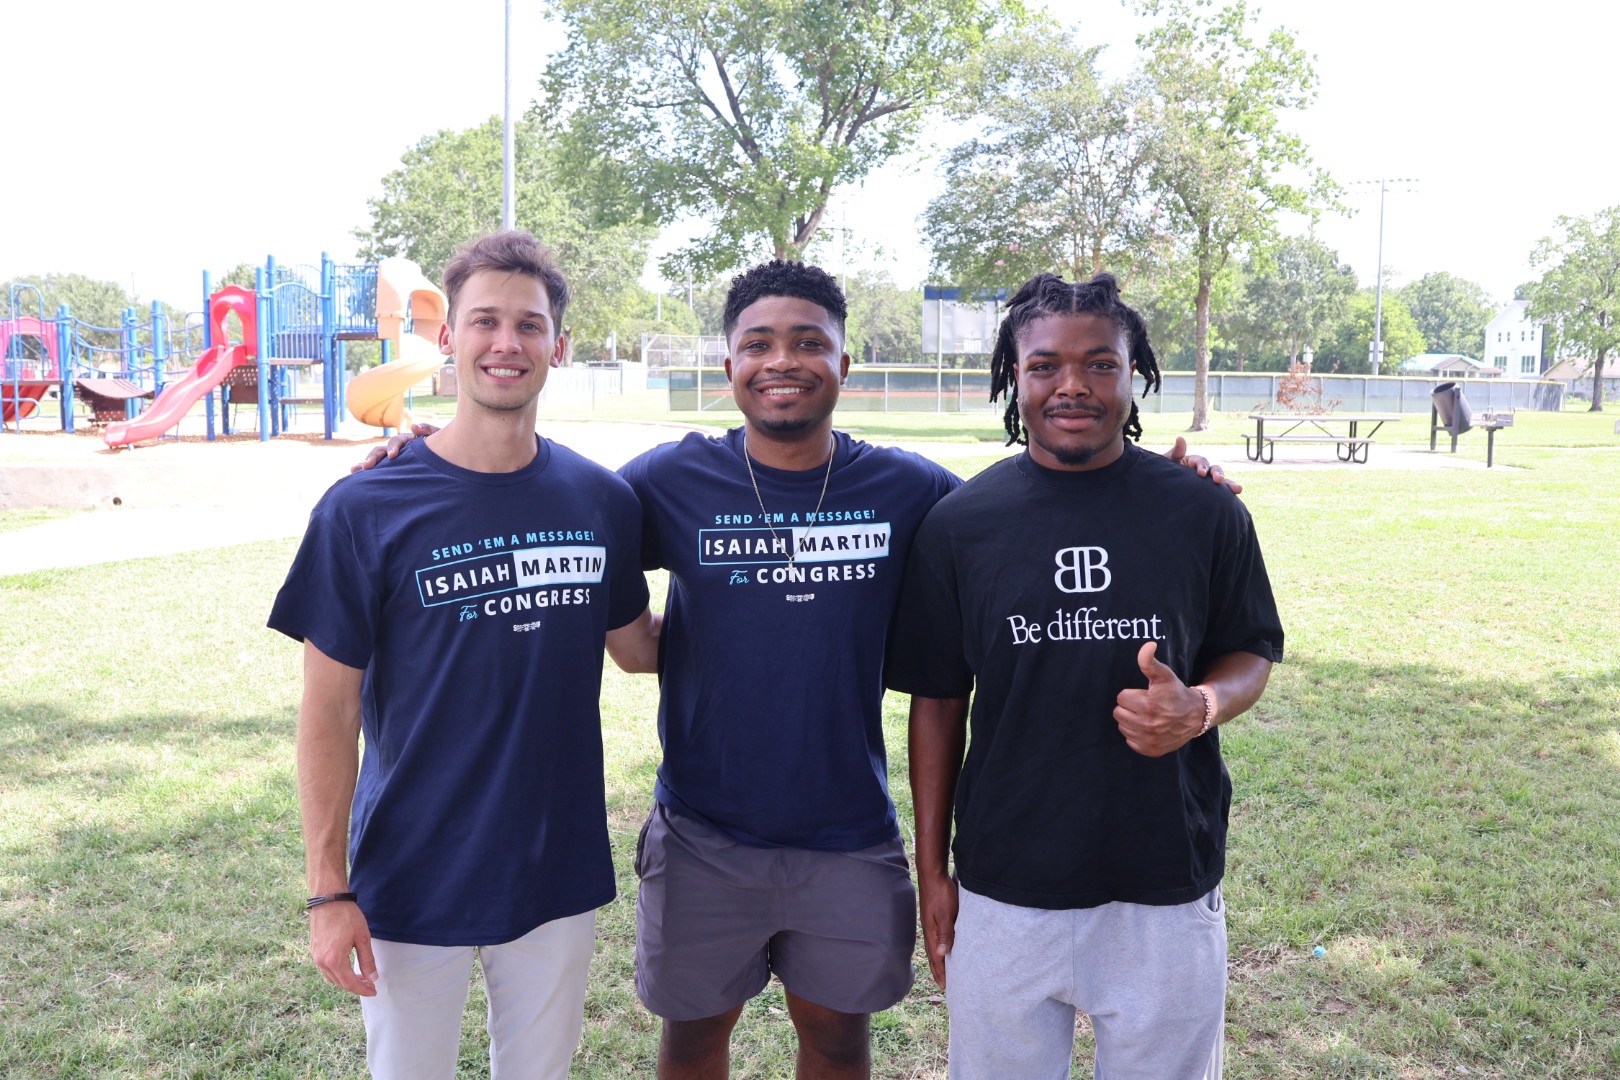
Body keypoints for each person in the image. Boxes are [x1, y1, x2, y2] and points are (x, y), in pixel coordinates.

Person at [357, 260, 1241, 1079]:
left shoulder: (910, 491)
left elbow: (1027, 507)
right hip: (702, 830)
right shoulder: (669, 479)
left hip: (848, 832)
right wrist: (441, 450)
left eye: (809, 342)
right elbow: (553, 499)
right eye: (760, 344)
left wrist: (1166, 479)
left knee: (836, 1035)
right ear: (730, 365)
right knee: (693, 1035)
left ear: (844, 364)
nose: (784, 361)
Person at [268, 229, 654, 1080]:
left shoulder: (601, 500)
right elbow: (328, 711)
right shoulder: (365, 507)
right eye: (485, 321)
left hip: (555, 866)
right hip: (412, 870)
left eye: (529, 324)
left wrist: (771, 594)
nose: (506, 342)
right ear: (448, 337)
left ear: (558, 345)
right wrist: (328, 889)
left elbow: (639, 650)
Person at [885, 271, 1284, 1080]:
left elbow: (1252, 650)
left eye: (1100, 363)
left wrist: (1201, 707)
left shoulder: (1204, 511)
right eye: (1045, 366)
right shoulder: (960, 525)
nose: (1072, 385)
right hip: (1005, 882)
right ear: (1015, 376)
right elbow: (938, 702)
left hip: (1164, 879)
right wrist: (933, 875)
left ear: (1135, 374)